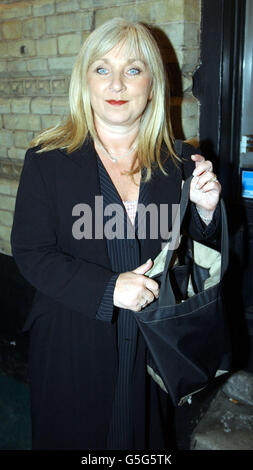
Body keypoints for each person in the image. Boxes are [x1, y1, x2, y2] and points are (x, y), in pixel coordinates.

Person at [11, 17, 222, 450]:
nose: (118, 84)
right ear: (85, 81)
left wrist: (206, 211)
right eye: (103, 68)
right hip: (73, 337)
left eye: (134, 69)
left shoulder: (181, 162)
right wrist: (109, 289)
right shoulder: (48, 159)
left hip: (153, 344)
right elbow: (31, 252)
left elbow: (200, 260)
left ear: (152, 85)